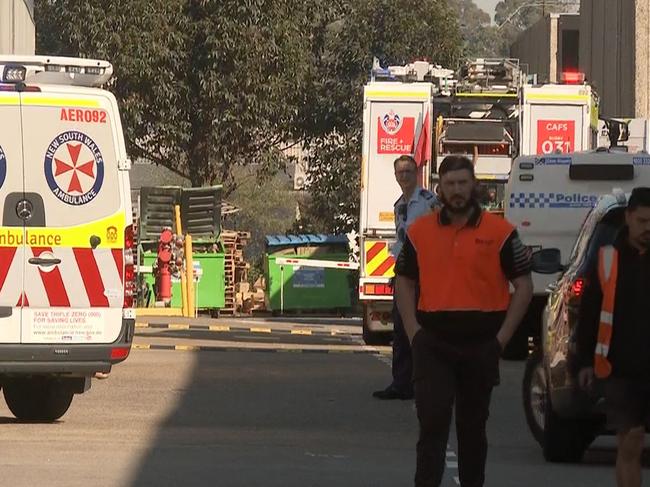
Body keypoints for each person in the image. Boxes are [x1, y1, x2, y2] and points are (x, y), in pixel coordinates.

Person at [394, 155, 533, 486]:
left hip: (481, 345)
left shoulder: (501, 232)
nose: (457, 190)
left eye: (463, 183)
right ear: (439, 188)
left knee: (472, 430)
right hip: (433, 344)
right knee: (432, 426)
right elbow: (403, 281)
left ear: (474, 186)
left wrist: (501, 340)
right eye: (450, 184)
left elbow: (524, 285)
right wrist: (414, 332)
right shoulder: (419, 232)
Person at [576, 187, 650, 487]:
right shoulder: (608, 260)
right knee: (630, 442)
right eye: (643, 221)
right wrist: (583, 363)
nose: (648, 229)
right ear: (629, 218)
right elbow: (589, 316)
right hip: (620, 369)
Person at [373, 154, 437, 400]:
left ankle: (427, 383)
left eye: (409, 172)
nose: (405, 177)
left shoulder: (429, 201)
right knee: (400, 330)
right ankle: (401, 384)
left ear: (417, 174)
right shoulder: (399, 205)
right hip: (405, 274)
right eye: (400, 173)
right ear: (395, 176)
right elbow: (402, 243)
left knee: (424, 329)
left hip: (427, 274)